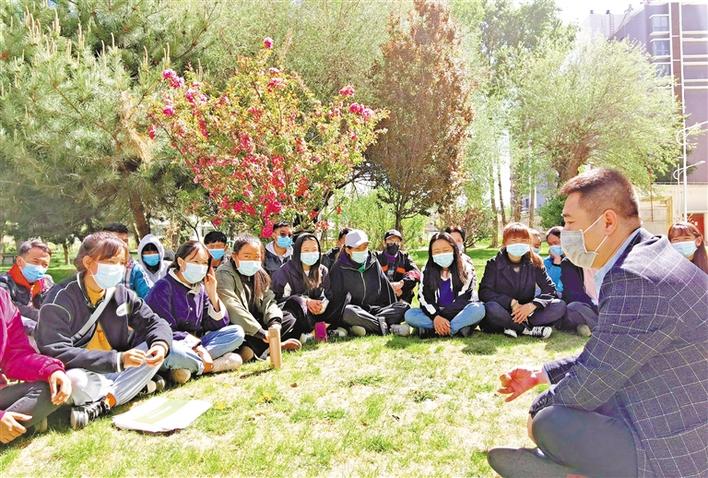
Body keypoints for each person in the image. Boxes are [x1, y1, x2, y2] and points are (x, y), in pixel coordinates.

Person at [488, 168, 708, 478]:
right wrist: (541, 374)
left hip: (676, 449)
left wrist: (537, 410)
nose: (565, 234)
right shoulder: (652, 256)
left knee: (550, 421)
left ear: (607, 222)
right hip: (680, 412)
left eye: (569, 223)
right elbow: (612, 350)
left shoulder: (634, 277)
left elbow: (592, 381)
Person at [35, 232, 172, 430]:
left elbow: (155, 322)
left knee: (153, 350)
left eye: (121, 263)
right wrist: (117, 360)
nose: (117, 268)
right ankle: (135, 388)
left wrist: (160, 346)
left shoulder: (122, 294)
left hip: (118, 368)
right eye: (110, 262)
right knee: (74, 382)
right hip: (81, 371)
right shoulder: (60, 299)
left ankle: (105, 402)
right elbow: (55, 350)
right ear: (88, 262)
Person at [146, 241, 245, 384]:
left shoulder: (201, 288)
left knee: (236, 332)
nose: (201, 266)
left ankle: (187, 367)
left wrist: (213, 295)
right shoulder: (163, 287)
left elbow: (217, 325)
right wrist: (198, 348)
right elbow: (163, 330)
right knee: (173, 352)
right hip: (169, 344)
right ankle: (212, 366)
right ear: (181, 262)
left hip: (196, 345)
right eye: (195, 262)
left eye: (204, 263)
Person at [0, 289, 72, 444]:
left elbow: (16, 354)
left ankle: (9, 429)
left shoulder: (2, 298)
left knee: (51, 389)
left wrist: (52, 370)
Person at [216, 234, 302, 361]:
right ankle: (266, 347)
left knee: (288, 317)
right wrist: (261, 333)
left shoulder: (259, 273)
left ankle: (261, 348)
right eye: (247, 256)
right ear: (234, 256)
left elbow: (268, 300)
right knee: (238, 333)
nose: (252, 260)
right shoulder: (224, 273)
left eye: (256, 257)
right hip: (240, 325)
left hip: (257, 323)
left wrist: (274, 323)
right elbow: (231, 306)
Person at [478, 223, 565, 339]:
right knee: (490, 307)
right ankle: (527, 330)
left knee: (559, 305)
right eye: (514, 240)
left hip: (528, 312)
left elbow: (549, 288)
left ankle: (513, 326)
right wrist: (511, 302)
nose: (518, 244)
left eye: (523, 240)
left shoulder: (535, 262)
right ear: (504, 243)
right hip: (503, 310)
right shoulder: (493, 264)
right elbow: (484, 292)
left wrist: (532, 305)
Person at [323, 230, 409, 336]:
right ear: (348, 250)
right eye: (358, 248)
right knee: (348, 312)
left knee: (404, 308)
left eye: (364, 247)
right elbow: (336, 300)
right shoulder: (339, 267)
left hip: (375, 310)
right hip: (356, 311)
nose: (362, 251)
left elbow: (385, 288)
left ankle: (364, 326)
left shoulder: (373, 262)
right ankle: (385, 328)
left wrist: (393, 307)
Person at [402, 232, 485, 337]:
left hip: (459, 312)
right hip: (435, 312)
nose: (441, 254)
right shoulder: (426, 271)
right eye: (436, 252)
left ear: (454, 250)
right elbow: (424, 298)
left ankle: (433, 331)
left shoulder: (465, 269)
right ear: (431, 254)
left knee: (479, 309)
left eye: (446, 250)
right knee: (410, 315)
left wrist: (441, 318)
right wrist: (436, 316)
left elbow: (464, 298)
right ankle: (456, 329)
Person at [271, 233, 336, 340]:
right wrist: (306, 301)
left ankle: (316, 332)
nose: (311, 253)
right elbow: (279, 300)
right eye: (306, 250)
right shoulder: (285, 271)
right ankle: (316, 332)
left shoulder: (322, 270)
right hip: (296, 314)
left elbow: (327, 294)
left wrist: (322, 306)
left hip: (317, 313)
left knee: (343, 299)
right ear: (297, 252)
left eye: (314, 250)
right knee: (298, 301)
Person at [0, 239, 54, 336]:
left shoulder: (46, 282)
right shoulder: (4, 284)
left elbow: (55, 304)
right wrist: (41, 319)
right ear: (20, 261)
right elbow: (10, 310)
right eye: (35, 261)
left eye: (45, 265)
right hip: (14, 337)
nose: (40, 268)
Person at [101, 223, 150, 298]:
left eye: (125, 241)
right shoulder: (94, 267)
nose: (123, 245)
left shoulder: (135, 269)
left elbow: (148, 299)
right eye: (117, 241)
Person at [375, 229, 421, 304]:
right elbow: (370, 276)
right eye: (391, 241)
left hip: (401, 296)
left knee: (411, 280)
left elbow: (416, 273)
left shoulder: (405, 257)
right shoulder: (376, 257)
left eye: (397, 241)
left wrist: (401, 284)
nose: (394, 244)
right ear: (384, 242)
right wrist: (389, 288)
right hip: (380, 295)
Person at [557, 258, 597, 337]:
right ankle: (603, 326)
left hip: (609, 306)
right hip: (588, 307)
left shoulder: (610, 261)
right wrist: (597, 307)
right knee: (573, 307)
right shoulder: (569, 263)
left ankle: (590, 326)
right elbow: (574, 294)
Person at [542, 227, 564, 296]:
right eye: (550, 244)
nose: (553, 246)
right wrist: (556, 262)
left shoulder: (575, 260)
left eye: (555, 243)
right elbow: (550, 284)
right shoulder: (547, 262)